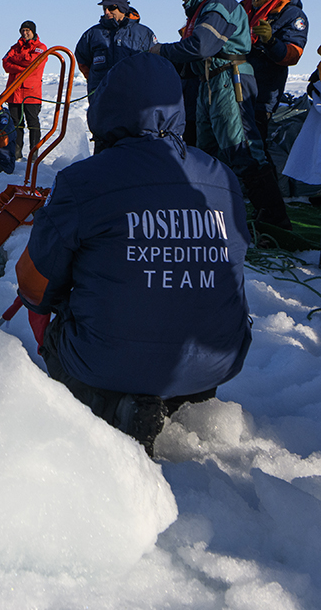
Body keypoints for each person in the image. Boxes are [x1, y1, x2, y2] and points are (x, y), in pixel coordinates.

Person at [16, 53, 251, 456]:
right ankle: (183, 394)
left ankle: (116, 406)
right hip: (217, 360)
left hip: (111, 364)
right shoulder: (222, 177)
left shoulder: (83, 182)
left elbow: (33, 283)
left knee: (47, 307)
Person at [151, 0, 292, 230]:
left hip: (230, 79)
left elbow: (202, 46)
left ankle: (274, 219)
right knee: (208, 151)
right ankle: (212, 211)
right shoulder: (205, 7)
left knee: (242, 147)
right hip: (211, 82)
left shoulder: (219, 5)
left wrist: (162, 52)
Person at [242, 0, 309, 141]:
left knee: (255, 150)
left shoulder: (292, 16)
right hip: (236, 91)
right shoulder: (244, 9)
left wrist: (270, 41)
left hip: (262, 98)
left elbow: (292, 55)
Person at [73, 0, 157, 98]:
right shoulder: (91, 35)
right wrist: (94, 79)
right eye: (104, 8)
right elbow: (82, 60)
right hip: (102, 97)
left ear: (122, 8)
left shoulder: (144, 34)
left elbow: (154, 63)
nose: (106, 12)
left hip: (135, 97)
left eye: (111, 7)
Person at [2, 20, 47, 160]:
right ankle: (16, 154)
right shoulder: (14, 47)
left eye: (27, 30)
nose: (25, 33)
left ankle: (34, 153)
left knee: (33, 123)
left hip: (31, 93)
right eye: (23, 30)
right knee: (16, 124)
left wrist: (15, 60)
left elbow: (32, 62)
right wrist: (23, 68)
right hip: (14, 92)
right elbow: (5, 64)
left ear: (33, 32)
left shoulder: (41, 47)